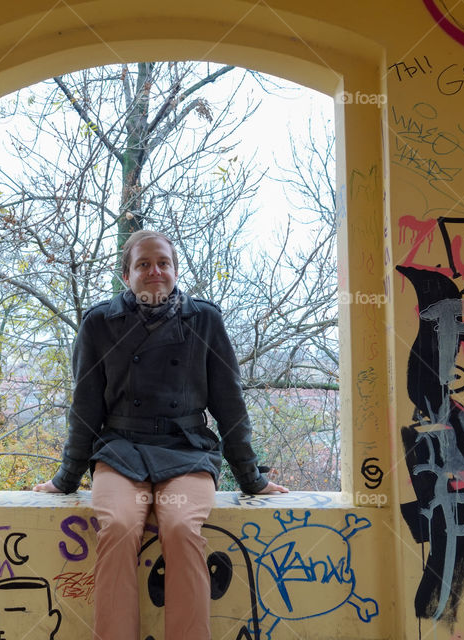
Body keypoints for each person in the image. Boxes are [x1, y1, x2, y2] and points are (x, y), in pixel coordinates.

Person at [34, 229, 287, 640]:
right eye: (144, 265)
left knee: (182, 529)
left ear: (174, 269)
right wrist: (66, 478)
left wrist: (251, 478)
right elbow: (85, 408)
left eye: (163, 263)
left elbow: (229, 404)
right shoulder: (99, 323)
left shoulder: (204, 318)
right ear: (126, 274)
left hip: (187, 450)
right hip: (120, 452)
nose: (155, 272)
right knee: (116, 527)